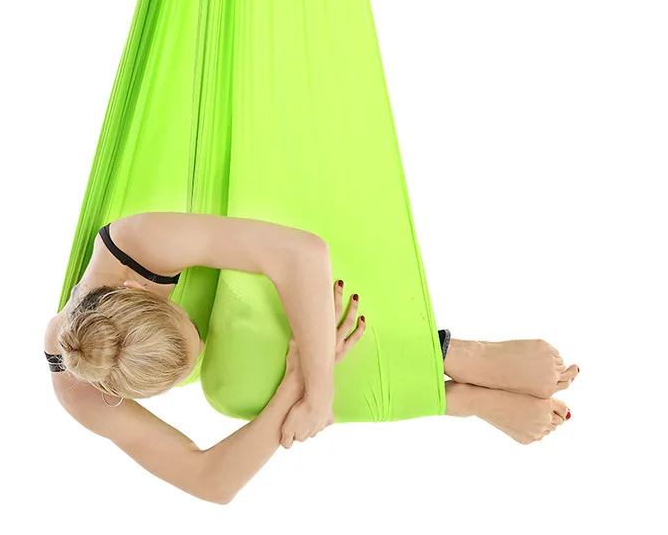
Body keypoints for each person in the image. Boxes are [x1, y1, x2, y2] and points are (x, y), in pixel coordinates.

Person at [44, 211, 579, 503]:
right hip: (266, 352)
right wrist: (292, 388)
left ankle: (457, 359)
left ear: (137, 288)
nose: (201, 347)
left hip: (244, 232)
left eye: (189, 334)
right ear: (114, 390)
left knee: (292, 316)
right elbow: (210, 482)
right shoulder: (81, 390)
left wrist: (319, 388)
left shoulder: (137, 243)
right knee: (246, 384)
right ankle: (460, 397)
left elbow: (303, 251)